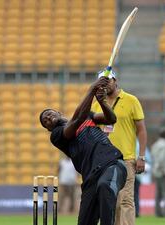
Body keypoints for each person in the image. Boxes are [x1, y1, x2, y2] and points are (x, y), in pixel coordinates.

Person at [40, 76, 127, 225]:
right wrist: (92, 89)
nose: (48, 118)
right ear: (48, 129)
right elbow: (78, 119)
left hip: (111, 163)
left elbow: (111, 119)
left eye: (49, 114)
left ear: (59, 112)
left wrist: (102, 102)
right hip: (90, 177)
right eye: (45, 121)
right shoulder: (57, 135)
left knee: (105, 186)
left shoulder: (88, 115)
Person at [90, 68, 147, 225]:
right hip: (104, 161)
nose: (105, 85)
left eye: (108, 81)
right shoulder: (96, 105)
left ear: (116, 80)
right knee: (111, 201)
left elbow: (141, 130)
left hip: (126, 158)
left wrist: (141, 156)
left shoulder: (131, 100)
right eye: (102, 83)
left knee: (125, 200)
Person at [150, 128, 165, 218]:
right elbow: (161, 158)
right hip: (164, 172)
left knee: (158, 194)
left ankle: (158, 212)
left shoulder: (155, 145)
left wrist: (156, 169)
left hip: (156, 172)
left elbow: (153, 157)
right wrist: (162, 169)